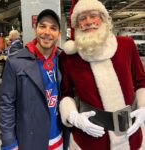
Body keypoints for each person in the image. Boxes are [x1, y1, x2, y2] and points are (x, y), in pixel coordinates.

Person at [59, 0, 145, 150]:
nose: (89, 22)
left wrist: (144, 108)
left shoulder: (126, 45)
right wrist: (74, 117)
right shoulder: (68, 57)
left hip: (129, 133)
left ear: (103, 18)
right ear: (77, 24)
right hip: (90, 137)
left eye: (94, 16)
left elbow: (141, 81)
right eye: (82, 18)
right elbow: (66, 94)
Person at [0, 9, 64, 150]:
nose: (47, 32)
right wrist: (9, 142)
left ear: (59, 34)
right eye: (42, 26)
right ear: (35, 29)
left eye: (53, 28)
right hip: (30, 140)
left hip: (59, 138)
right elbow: (6, 104)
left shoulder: (63, 59)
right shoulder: (15, 61)